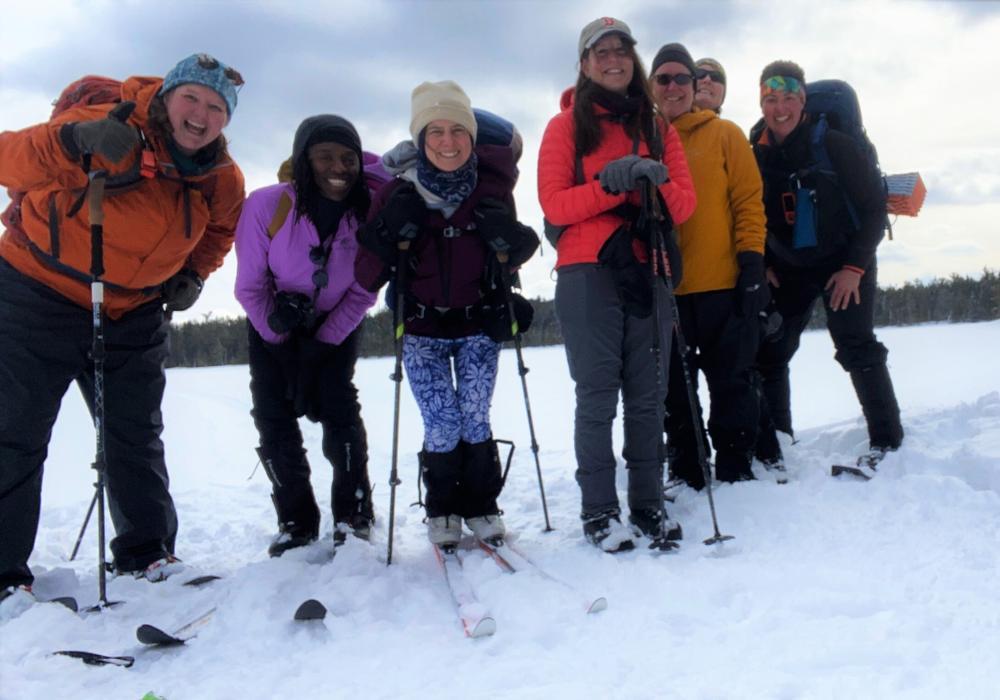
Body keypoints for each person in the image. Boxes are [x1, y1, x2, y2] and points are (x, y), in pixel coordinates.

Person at [0, 54, 246, 600]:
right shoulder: (104, 123)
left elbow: (220, 231)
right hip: (37, 291)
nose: (201, 115)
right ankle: (3, 575)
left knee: (134, 435)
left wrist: (193, 275)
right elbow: (8, 161)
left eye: (216, 107)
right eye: (192, 99)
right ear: (167, 96)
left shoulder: (220, 177)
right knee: (15, 433)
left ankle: (147, 552)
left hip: (134, 310)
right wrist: (71, 145)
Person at [355, 81, 539, 548]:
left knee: (475, 417)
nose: (447, 141)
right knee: (442, 421)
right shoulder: (396, 192)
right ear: (419, 138)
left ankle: (481, 505)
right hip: (421, 327)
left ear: (473, 136)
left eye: (458, 129)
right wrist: (385, 232)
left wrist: (513, 245)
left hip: (478, 323)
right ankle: (442, 510)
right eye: (435, 130)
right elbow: (365, 274)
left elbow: (508, 259)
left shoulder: (493, 188)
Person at [537, 18, 696, 552]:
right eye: (600, 52)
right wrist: (612, 183)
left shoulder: (658, 128)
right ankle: (599, 510)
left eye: (621, 50)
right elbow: (554, 204)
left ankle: (648, 504)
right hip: (586, 273)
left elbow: (684, 205)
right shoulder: (563, 128)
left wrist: (654, 176)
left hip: (649, 265)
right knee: (598, 395)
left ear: (633, 60)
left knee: (648, 397)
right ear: (584, 65)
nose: (612, 59)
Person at [235, 115, 387, 557]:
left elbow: (364, 289)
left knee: (339, 409)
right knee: (273, 416)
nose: (337, 167)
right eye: (324, 156)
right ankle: (296, 520)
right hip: (273, 325)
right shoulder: (267, 206)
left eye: (347, 157)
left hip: (337, 326)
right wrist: (281, 341)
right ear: (303, 160)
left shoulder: (369, 210)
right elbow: (249, 286)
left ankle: (354, 514)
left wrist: (323, 345)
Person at [751, 60, 903, 471]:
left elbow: (873, 209)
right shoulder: (757, 152)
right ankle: (779, 443)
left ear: (802, 101)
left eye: (787, 98)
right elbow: (748, 213)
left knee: (855, 344)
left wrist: (854, 267)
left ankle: (887, 440)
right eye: (770, 98)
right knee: (772, 350)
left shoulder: (835, 144)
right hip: (789, 266)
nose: (779, 107)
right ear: (761, 102)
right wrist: (762, 262)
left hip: (844, 261)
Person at [649, 43, 767, 486]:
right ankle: (687, 465)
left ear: (696, 87)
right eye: (664, 79)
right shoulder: (646, 136)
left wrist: (752, 262)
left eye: (684, 78)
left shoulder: (726, 134)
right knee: (676, 390)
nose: (675, 86)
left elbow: (748, 201)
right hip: (666, 288)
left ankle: (736, 461)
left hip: (722, 283)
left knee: (731, 380)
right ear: (652, 86)